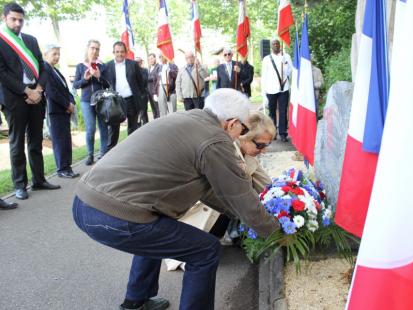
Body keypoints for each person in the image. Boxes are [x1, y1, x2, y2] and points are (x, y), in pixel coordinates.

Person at [72, 88, 279, 310]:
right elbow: (241, 198)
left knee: (157, 227)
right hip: (115, 216)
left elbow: (211, 193)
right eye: (244, 128)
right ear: (232, 123)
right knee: (205, 250)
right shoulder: (216, 141)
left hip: (84, 203)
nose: (241, 134)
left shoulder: (189, 118)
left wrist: (235, 213)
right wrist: (278, 233)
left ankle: (136, 301)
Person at [165, 111, 276, 270]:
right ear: (243, 137)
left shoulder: (247, 153)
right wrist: (272, 229)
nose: (264, 150)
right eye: (260, 145)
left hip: (219, 209)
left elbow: (267, 186)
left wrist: (285, 197)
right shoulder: (225, 150)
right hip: (196, 212)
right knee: (204, 255)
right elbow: (233, 196)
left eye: (268, 145)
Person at [0, 2, 60, 200]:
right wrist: (26, 90)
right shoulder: (1, 40)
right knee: (17, 143)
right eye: (13, 19)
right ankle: (20, 185)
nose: (18, 23)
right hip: (15, 99)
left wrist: (38, 89)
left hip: (37, 96)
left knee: (36, 141)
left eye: (20, 19)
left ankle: (39, 180)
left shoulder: (31, 40)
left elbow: (42, 68)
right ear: (4, 18)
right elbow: (2, 73)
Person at [43, 44, 79, 179]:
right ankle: (62, 169)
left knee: (66, 139)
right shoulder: (45, 69)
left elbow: (65, 89)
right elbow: (52, 92)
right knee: (59, 141)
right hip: (56, 111)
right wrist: (66, 104)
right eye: (54, 54)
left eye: (58, 54)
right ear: (46, 54)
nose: (57, 56)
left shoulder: (56, 71)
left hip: (64, 110)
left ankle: (67, 167)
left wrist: (72, 102)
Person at [102, 41, 144, 150]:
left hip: (131, 100)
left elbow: (141, 82)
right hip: (115, 102)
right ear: (113, 52)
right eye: (117, 52)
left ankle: (133, 151)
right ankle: (110, 153)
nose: (119, 54)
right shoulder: (107, 66)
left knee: (133, 128)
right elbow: (104, 82)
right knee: (114, 129)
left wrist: (140, 97)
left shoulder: (133, 64)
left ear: (125, 52)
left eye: (122, 52)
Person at [73, 39, 108, 166]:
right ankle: (90, 154)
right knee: (91, 128)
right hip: (86, 101)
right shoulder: (80, 66)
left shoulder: (102, 65)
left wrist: (99, 76)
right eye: (92, 48)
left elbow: (108, 84)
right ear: (87, 48)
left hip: (101, 100)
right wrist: (84, 79)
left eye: (97, 49)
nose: (94, 51)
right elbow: (76, 85)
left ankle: (104, 153)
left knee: (103, 127)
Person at [261, 39, 293, 142]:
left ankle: (283, 133)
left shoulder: (286, 56)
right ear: (271, 46)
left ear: (280, 45)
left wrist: (285, 65)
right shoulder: (266, 59)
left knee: (283, 111)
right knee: (272, 112)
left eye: (277, 44)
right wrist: (264, 93)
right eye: (273, 44)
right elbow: (264, 76)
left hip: (284, 88)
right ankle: (273, 132)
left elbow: (290, 71)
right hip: (271, 89)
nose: (275, 45)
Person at [135, 56, 149, 125]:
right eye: (136, 62)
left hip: (143, 95)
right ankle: (138, 127)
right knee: (137, 114)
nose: (138, 63)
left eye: (139, 62)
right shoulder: (132, 71)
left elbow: (146, 81)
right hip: (135, 96)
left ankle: (146, 126)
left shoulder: (145, 70)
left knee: (144, 113)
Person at [146, 53, 160, 119]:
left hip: (156, 92)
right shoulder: (148, 69)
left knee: (158, 109)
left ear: (155, 58)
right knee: (153, 110)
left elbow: (156, 77)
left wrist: (146, 78)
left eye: (152, 58)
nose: (150, 60)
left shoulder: (158, 67)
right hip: (149, 93)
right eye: (149, 59)